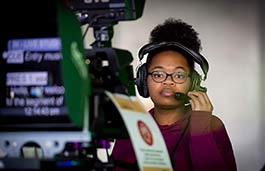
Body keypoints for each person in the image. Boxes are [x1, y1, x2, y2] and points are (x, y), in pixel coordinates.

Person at [111, 18, 237, 171]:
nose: (168, 82)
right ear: (144, 79)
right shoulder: (131, 128)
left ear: (193, 83)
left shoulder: (212, 125)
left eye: (179, 75)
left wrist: (200, 125)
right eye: (158, 74)